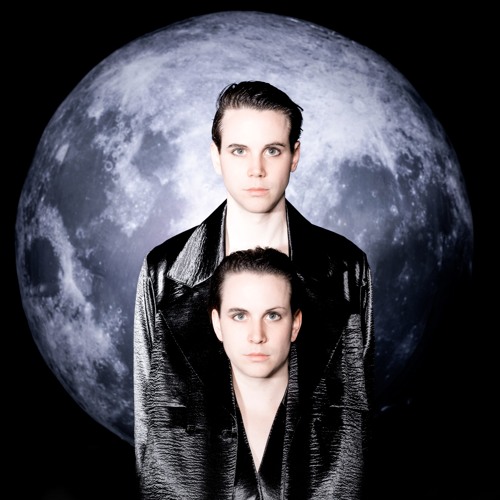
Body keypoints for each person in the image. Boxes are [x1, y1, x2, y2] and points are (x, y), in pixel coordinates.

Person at [134, 80, 374, 499]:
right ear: (216, 156)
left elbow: (358, 414)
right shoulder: (165, 269)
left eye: (273, 150)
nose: (256, 170)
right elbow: (148, 422)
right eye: (239, 150)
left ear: (295, 156)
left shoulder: (345, 268)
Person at [208, 246, 302, 497]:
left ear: (295, 324)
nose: (257, 336)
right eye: (240, 316)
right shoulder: (174, 431)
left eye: (272, 316)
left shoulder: (345, 429)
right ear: (218, 324)